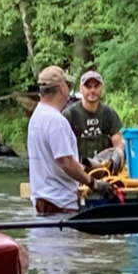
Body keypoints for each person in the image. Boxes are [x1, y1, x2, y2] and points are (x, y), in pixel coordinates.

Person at [28, 66, 113, 215]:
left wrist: (85, 167)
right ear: (61, 87)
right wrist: (93, 183)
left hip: (42, 201)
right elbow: (65, 163)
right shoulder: (56, 121)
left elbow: (53, 162)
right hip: (59, 204)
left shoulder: (37, 116)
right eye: (67, 84)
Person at [63, 70, 125, 163]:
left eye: (96, 86)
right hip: (77, 172)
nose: (92, 90)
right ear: (81, 88)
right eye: (88, 86)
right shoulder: (69, 115)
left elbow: (119, 147)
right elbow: (62, 152)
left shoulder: (108, 114)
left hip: (105, 171)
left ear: (102, 89)